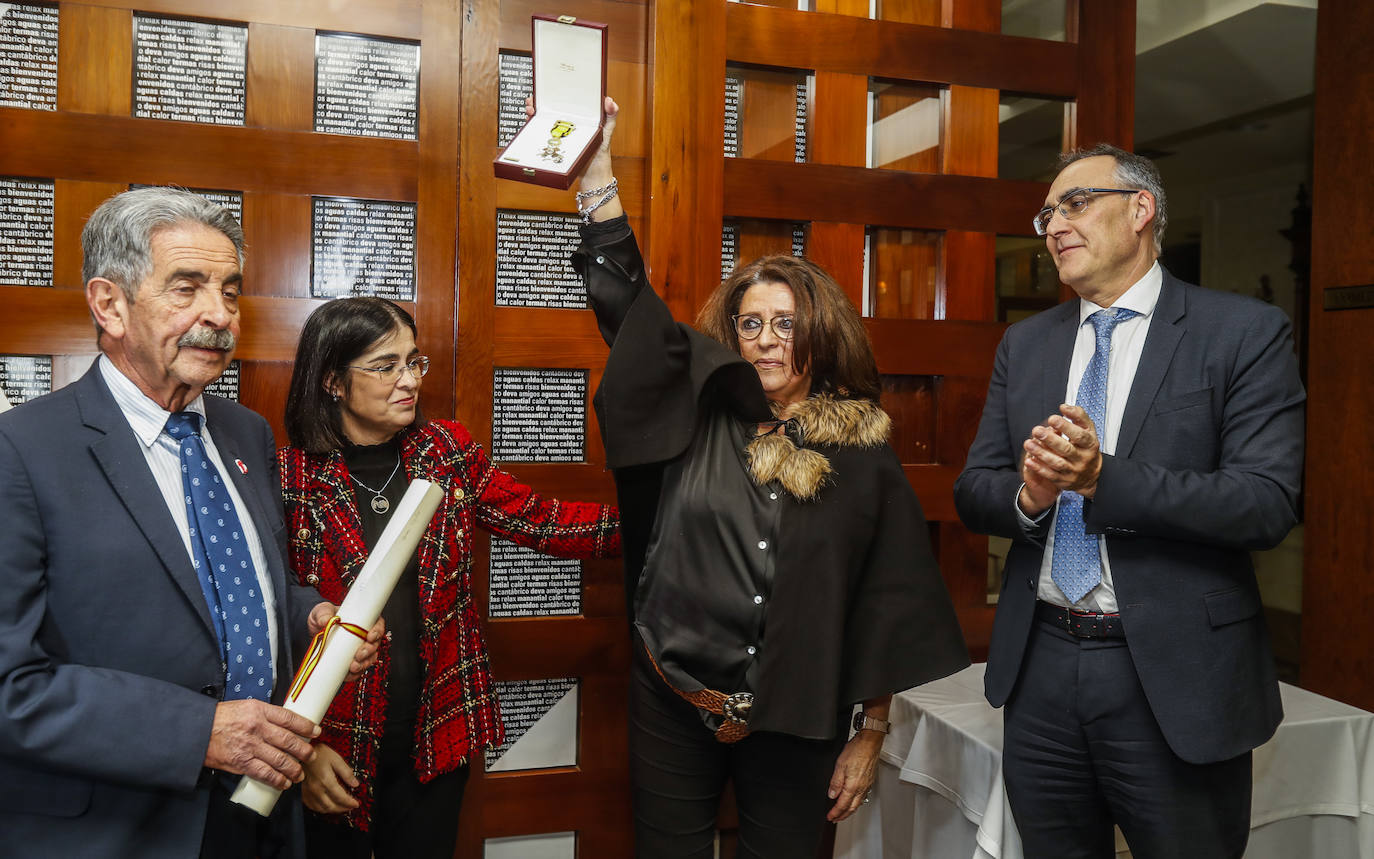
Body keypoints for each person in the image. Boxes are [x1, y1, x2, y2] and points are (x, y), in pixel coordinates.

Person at [566, 98, 968, 858]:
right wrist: (598, 183)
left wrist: (869, 733)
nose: (768, 340)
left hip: (799, 714)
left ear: (819, 333)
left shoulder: (862, 450)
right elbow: (629, 311)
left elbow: (885, 601)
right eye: (752, 323)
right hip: (673, 695)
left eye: (787, 323)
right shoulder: (695, 408)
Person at [0, 187, 381, 859]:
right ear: (109, 304)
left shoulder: (245, 433)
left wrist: (312, 618)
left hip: (265, 809)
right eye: (187, 288)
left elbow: (241, 587)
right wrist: (196, 731)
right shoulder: (22, 451)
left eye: (230, 291)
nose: (219, 315)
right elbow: (12, 684)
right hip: (118, 827)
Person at [954, 145, 1305, 858]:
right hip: (1042, 667)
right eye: (1046, 213)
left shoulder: (1240, 333)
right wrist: (1033, 492)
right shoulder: (1026, 344)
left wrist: (1099, 479)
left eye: (1075, 203)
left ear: (1140, 210)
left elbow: (1265, 501)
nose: (1053, 225)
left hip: (1174, 674)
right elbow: (975, 487)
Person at [278, 296, 621, 859]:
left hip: (438, 731)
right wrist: (303, 750)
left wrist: (660, 522)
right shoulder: (289, 477)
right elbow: (271, 620)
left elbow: (543, 522)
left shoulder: (445, 452)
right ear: (333, 382)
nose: (408, 380)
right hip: (333, 743)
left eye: (414, 362)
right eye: (385, 367)